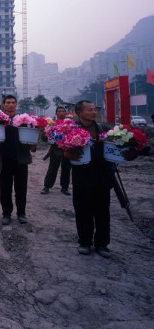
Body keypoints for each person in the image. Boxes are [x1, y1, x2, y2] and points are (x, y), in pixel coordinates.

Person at [64, 100, 115, 258]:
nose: (94, 112)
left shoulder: (103, 128)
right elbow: (64, 151)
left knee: (102, 213)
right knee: (83, 211)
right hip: (82, 177)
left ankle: (102, 244)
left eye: (94, 110)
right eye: (89, 110)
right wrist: (68, 154)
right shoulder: (72, 130)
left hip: (102, 177)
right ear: (80, 113)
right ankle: (85, 242)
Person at [0, 95, 35, 225]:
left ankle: (21, 213)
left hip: (21, 159)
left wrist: (34, 144)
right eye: (8, 102)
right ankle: (6, 214)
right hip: (4, 159)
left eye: (13, 102)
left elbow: (32, 139)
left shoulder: (24, 120)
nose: (11, 105)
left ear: (16, 104)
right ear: (3, 104)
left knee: (21, 189)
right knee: (5, 189)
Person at [40, 107, 71, 196]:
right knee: (52, 168)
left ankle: (65, 188)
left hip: (67, 149)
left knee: (66, 169)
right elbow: (44, 138)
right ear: (56, 113)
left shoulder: (70, 124)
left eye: (63, 111)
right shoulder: (51, 124)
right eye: (59, 111)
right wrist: (45, 134)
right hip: (55, 149)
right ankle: (47, 186)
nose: (61, 113)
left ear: (66, 113)